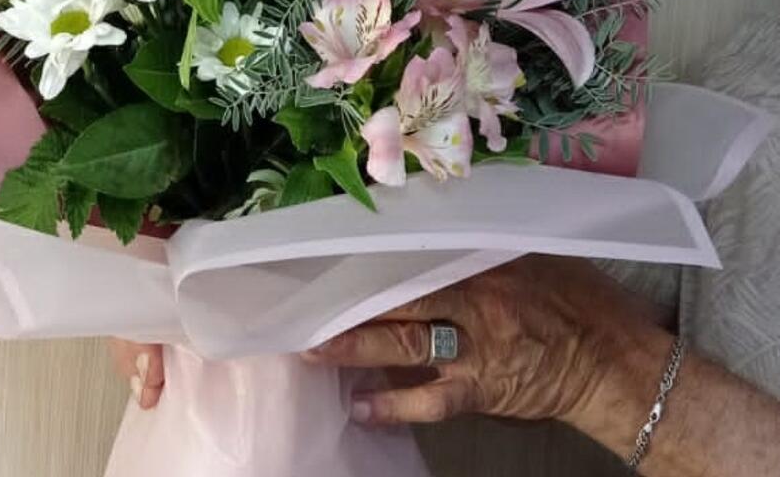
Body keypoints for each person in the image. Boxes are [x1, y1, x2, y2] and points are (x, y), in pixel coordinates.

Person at [109, 255, 780, 474]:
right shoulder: (753, 76)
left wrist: (598, 370)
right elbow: (550, 305)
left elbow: (591, 347)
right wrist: (168, 261)